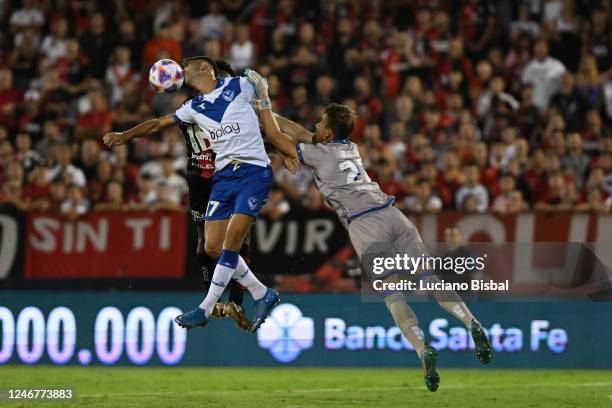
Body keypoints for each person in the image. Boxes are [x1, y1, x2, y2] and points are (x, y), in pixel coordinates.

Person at [246, 69, 492, 391]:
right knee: (430, 280)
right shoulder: (350, 148)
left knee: (393, 296)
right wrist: (264, 112)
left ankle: (422, 349)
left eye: (320, 123)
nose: (315, 126)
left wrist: (262, 99)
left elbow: (281, 138)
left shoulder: (320, 154)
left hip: (364, 224)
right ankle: (471, 321)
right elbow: (299, 133)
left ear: (329, 130)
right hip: (394, 215)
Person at [103, 57, 288, 331]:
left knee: (232, 242)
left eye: (186, 67)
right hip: (223, 176)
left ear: (204, 70)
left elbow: (275, 121)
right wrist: (124, 136)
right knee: (212, 247)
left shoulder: (240, 86)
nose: (181, 70)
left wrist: (290, 148)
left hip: (253, 171)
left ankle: (205, 308)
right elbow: (156, 124)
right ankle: (262, 293)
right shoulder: (192, 107)